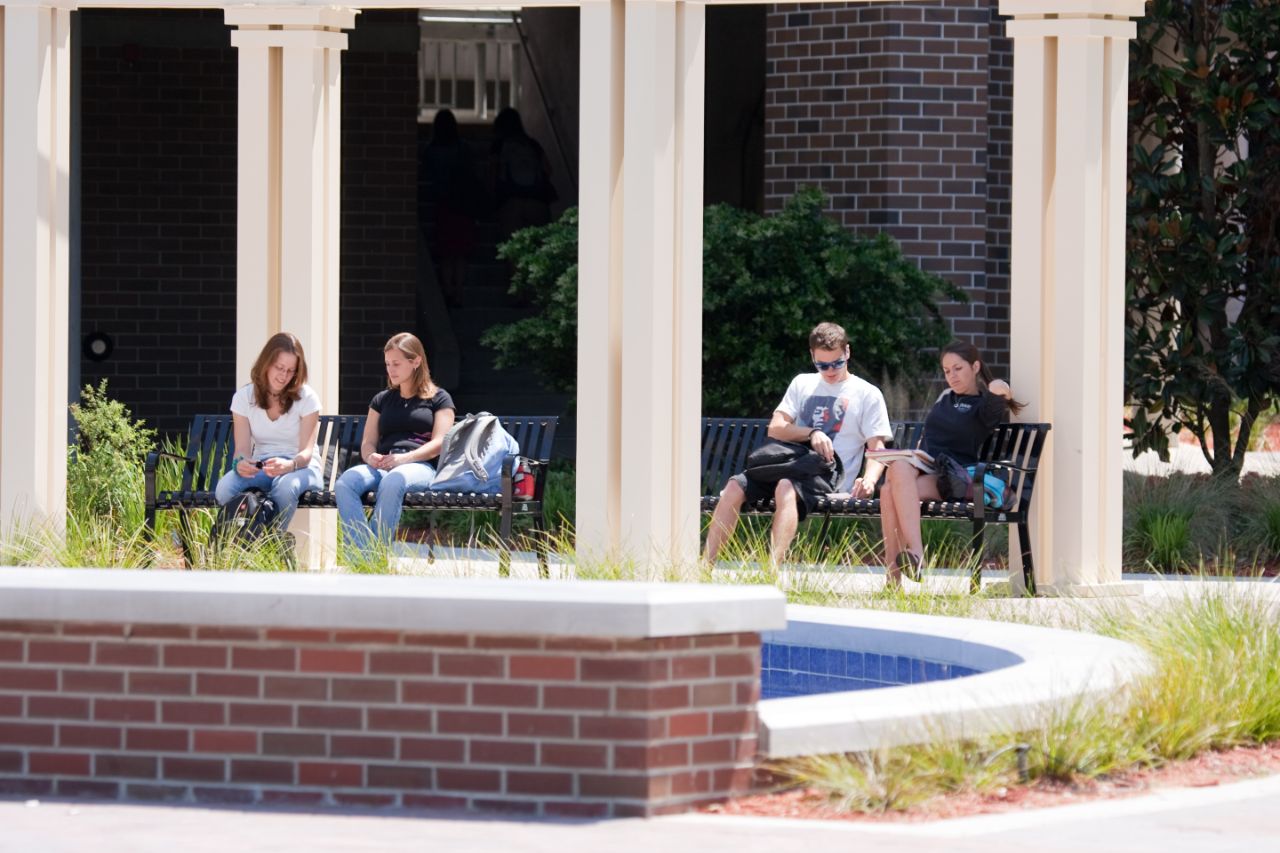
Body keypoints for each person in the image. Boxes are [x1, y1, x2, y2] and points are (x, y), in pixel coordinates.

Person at [703, 322, 893, 569]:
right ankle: (704, 567)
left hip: (829, 474)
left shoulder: (867, 393)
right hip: (791, 463)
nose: (830, 370)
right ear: (812, 356)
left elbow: (877, 447)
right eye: (822, 365)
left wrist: (869, 479)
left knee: (785, 487)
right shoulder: (802, 383)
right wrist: (811, 432)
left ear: (847, 352)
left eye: (837, 362)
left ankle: (770, 571)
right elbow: (776, 427)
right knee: (733, 487)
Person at [879, 341, 1026, 586]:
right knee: (896, 472)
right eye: (947, 371)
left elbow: (1000, 390)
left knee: (888, 489)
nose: (952, 376)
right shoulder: (945, 397)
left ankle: (905, 566)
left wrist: (997, 387)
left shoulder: (984, 405)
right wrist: (916, 457)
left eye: (958, 368)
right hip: (927, 466)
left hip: (954, 475)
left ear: (975, 366)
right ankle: (911, 560)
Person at [336, 332, 456, 557]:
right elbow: (368, 442)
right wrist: (371, 456)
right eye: (388, 364)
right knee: (345, 483)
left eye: (397, 363)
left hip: (420, 466)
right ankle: (366, 558)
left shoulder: (439, 398)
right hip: (384, 464)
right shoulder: (381, 400)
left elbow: (440, 442)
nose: (391, 369)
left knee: (394, 480)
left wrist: (405, 458)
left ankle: (372, 558)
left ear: (416, 361)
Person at [214, 333, 322, 532]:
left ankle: (271, 544)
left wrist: (290, 465)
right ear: (266, 364)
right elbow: (242, 449)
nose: (284, 376)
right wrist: (241, 464)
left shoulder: (307, 398)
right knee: (225, 488)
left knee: (285, 486)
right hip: (264, 465)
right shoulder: (244, 398)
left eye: (291, 371)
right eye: (279, 368)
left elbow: (306, 453)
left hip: (302, 467)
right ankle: (246, 538)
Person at [422, 109, 480, 307]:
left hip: (443, 205)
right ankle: (459, 292)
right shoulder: (464, 149)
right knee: (461, 253)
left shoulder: (431, 150)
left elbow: (426, 174)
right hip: (464, 205)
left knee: (447, 252)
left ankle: (447, 289)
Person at [491, 107, 554, 244]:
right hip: (537, 202)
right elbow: (548, 169)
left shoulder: (499, 145)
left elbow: (493, 172)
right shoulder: (532, 144)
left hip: (510, 202)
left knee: (512, 249)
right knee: (538, 251)